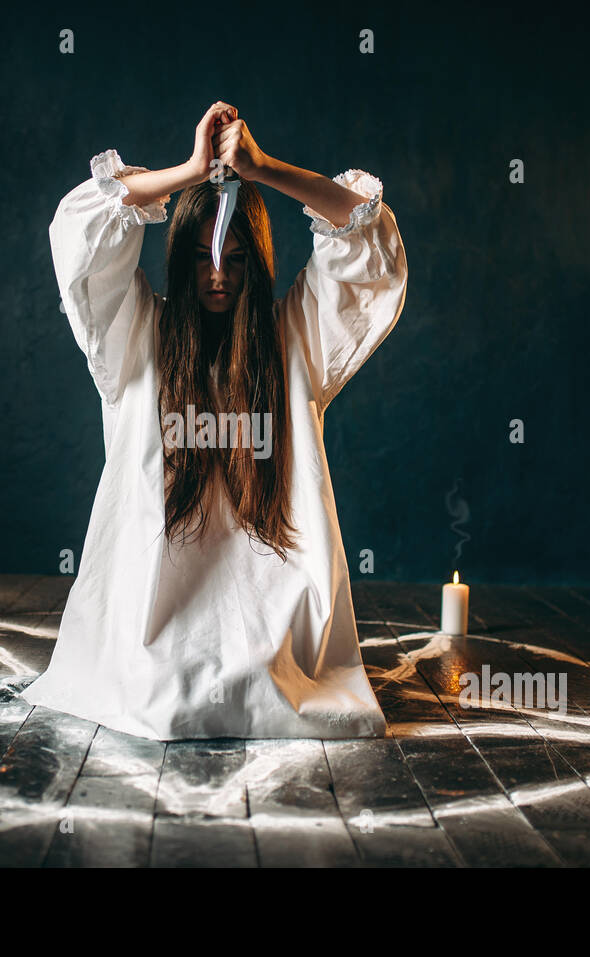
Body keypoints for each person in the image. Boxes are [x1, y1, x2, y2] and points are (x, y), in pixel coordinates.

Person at [20, 101, 408, 740]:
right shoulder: (137, 334)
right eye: (202, 257)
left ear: (257, 260)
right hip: (155, 619)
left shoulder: (294, 340)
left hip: (274, 617)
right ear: (179, 258)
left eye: (234, 256)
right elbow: (82, 230)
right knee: (163, 696)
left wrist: (263, 168)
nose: (219, 274)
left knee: (269, 687)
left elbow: (366, 239)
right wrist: (191, 170)